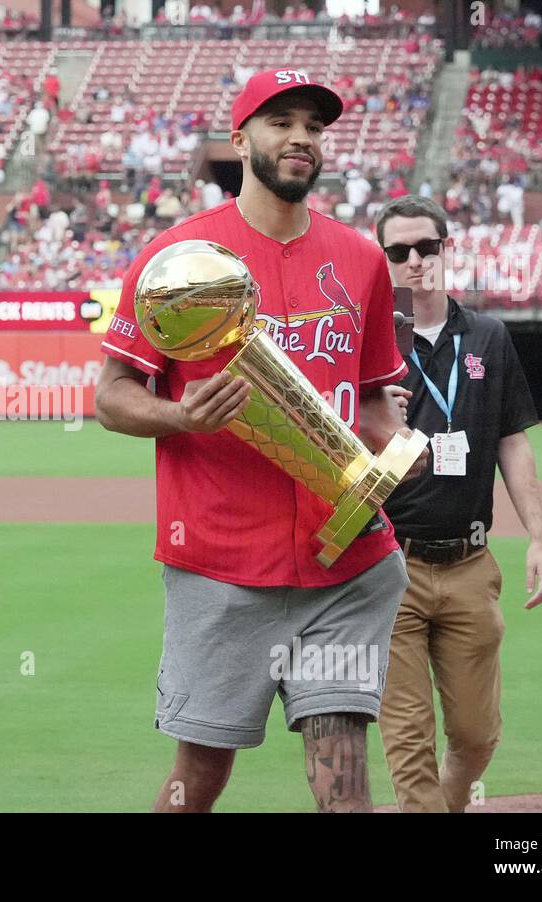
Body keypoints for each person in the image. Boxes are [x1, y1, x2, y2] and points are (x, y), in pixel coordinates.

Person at [96, 69, 422, 813]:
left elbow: (370, 399)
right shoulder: (178, 256)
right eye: (281, 122)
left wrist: (398, 446)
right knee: (199, 773)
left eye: (313, 124)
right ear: (240, 141)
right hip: (219, 563)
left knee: (342, 775)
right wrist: (183, 417)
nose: (301, 137)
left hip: (344, 562)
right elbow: (112, 396)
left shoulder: (361, 259)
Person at [374, 194, 542, 813]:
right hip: (388, 565)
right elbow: (329, 447)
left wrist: (538, 538)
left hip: (471, 563)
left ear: (447, 249)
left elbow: (511, 438)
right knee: (407, 739)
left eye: (427, 246)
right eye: (398, 251)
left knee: (476, 736)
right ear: (383, 261)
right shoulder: (367, 342)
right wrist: (372, 419)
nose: (415, 261)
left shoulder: (488, 336)